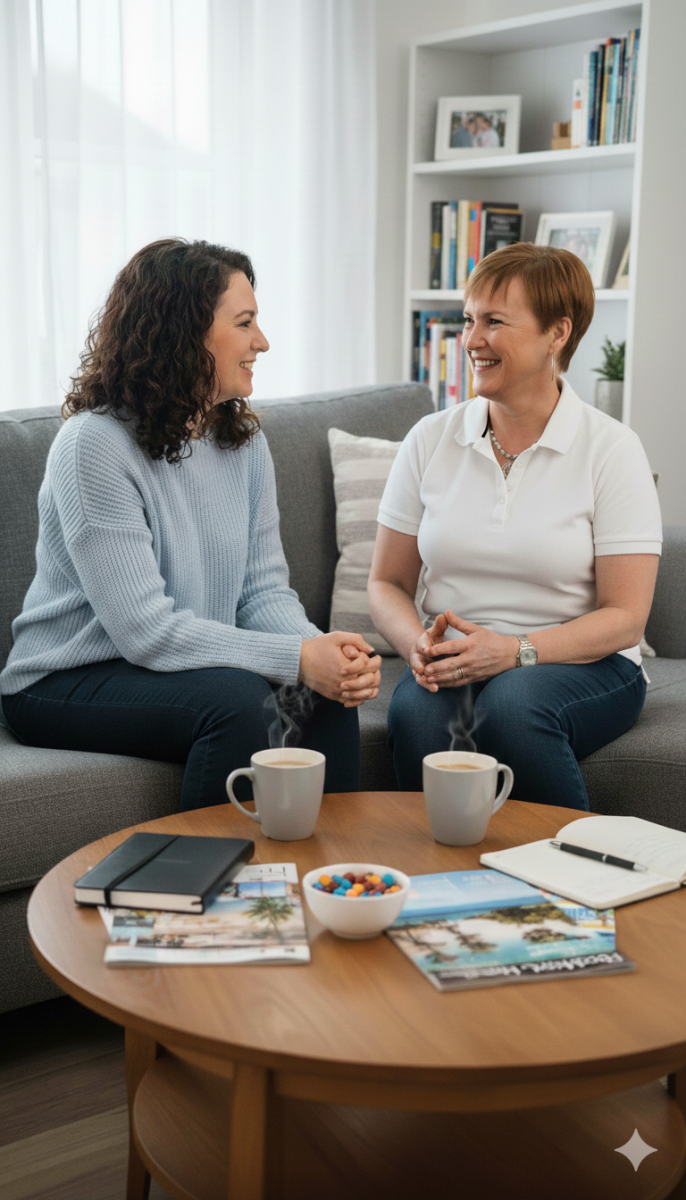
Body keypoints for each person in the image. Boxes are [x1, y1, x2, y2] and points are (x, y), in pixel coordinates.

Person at [0, 238, 381, 809]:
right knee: (238, 700)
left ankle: (329, 880)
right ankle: (205, 891)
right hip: (65, 680)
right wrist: (296, 659)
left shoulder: (242, 442)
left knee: (323, 695)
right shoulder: (94, 446)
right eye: (245, 322)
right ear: (185, 332)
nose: (262, 342)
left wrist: (326, 655)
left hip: (175, 671)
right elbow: (145, 631)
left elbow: (261, 592)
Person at [368, 242, 661, 811]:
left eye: (494, 321)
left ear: (557, 333)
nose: (472, 340)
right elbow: (388, 583)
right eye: (469, 319)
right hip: (453, 657)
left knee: (512, 707)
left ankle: (572, 884)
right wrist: (416, 647)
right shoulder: (430, 439)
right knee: (418, 714)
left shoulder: (611, 449)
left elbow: (626, 617)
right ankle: (439, 886)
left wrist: (515, 651)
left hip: (584, 664)